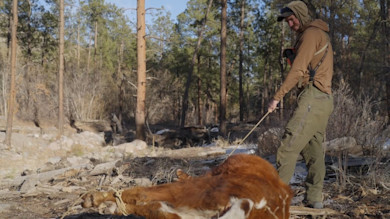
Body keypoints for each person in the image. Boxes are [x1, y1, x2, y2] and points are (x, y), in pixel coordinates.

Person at [268, 1, 334, 209]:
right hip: (322, 100)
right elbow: (307, 67)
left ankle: (273, 203)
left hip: (313, 98)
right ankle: (314, 198)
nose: (290, 23)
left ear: (301, 15)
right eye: (287, 21)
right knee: (313, 150)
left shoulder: (311, 34)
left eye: (292, 18)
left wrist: (276, 97)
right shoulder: (315, 34)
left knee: (288, 147)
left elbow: (298, 71)